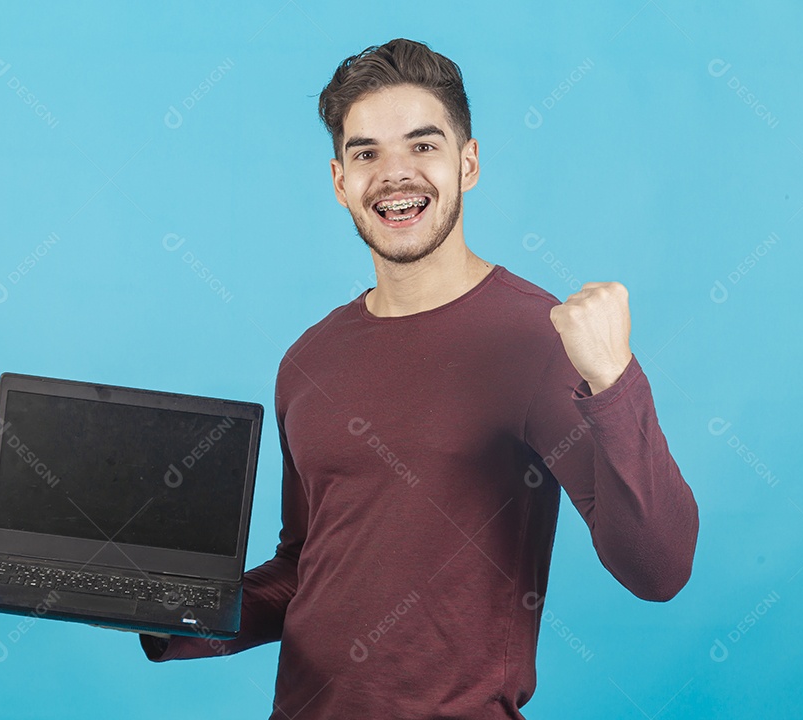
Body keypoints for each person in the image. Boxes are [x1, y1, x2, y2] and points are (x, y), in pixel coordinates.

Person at [129, 38, 699, 719]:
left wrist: (615, 382)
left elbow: (659, 569)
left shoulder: (541, 342)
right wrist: (173, 612)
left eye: (423, 147)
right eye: (368, 153)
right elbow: (304, 571)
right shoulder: (308, 360)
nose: (394, 175)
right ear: (340, 181)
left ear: (469, 163)